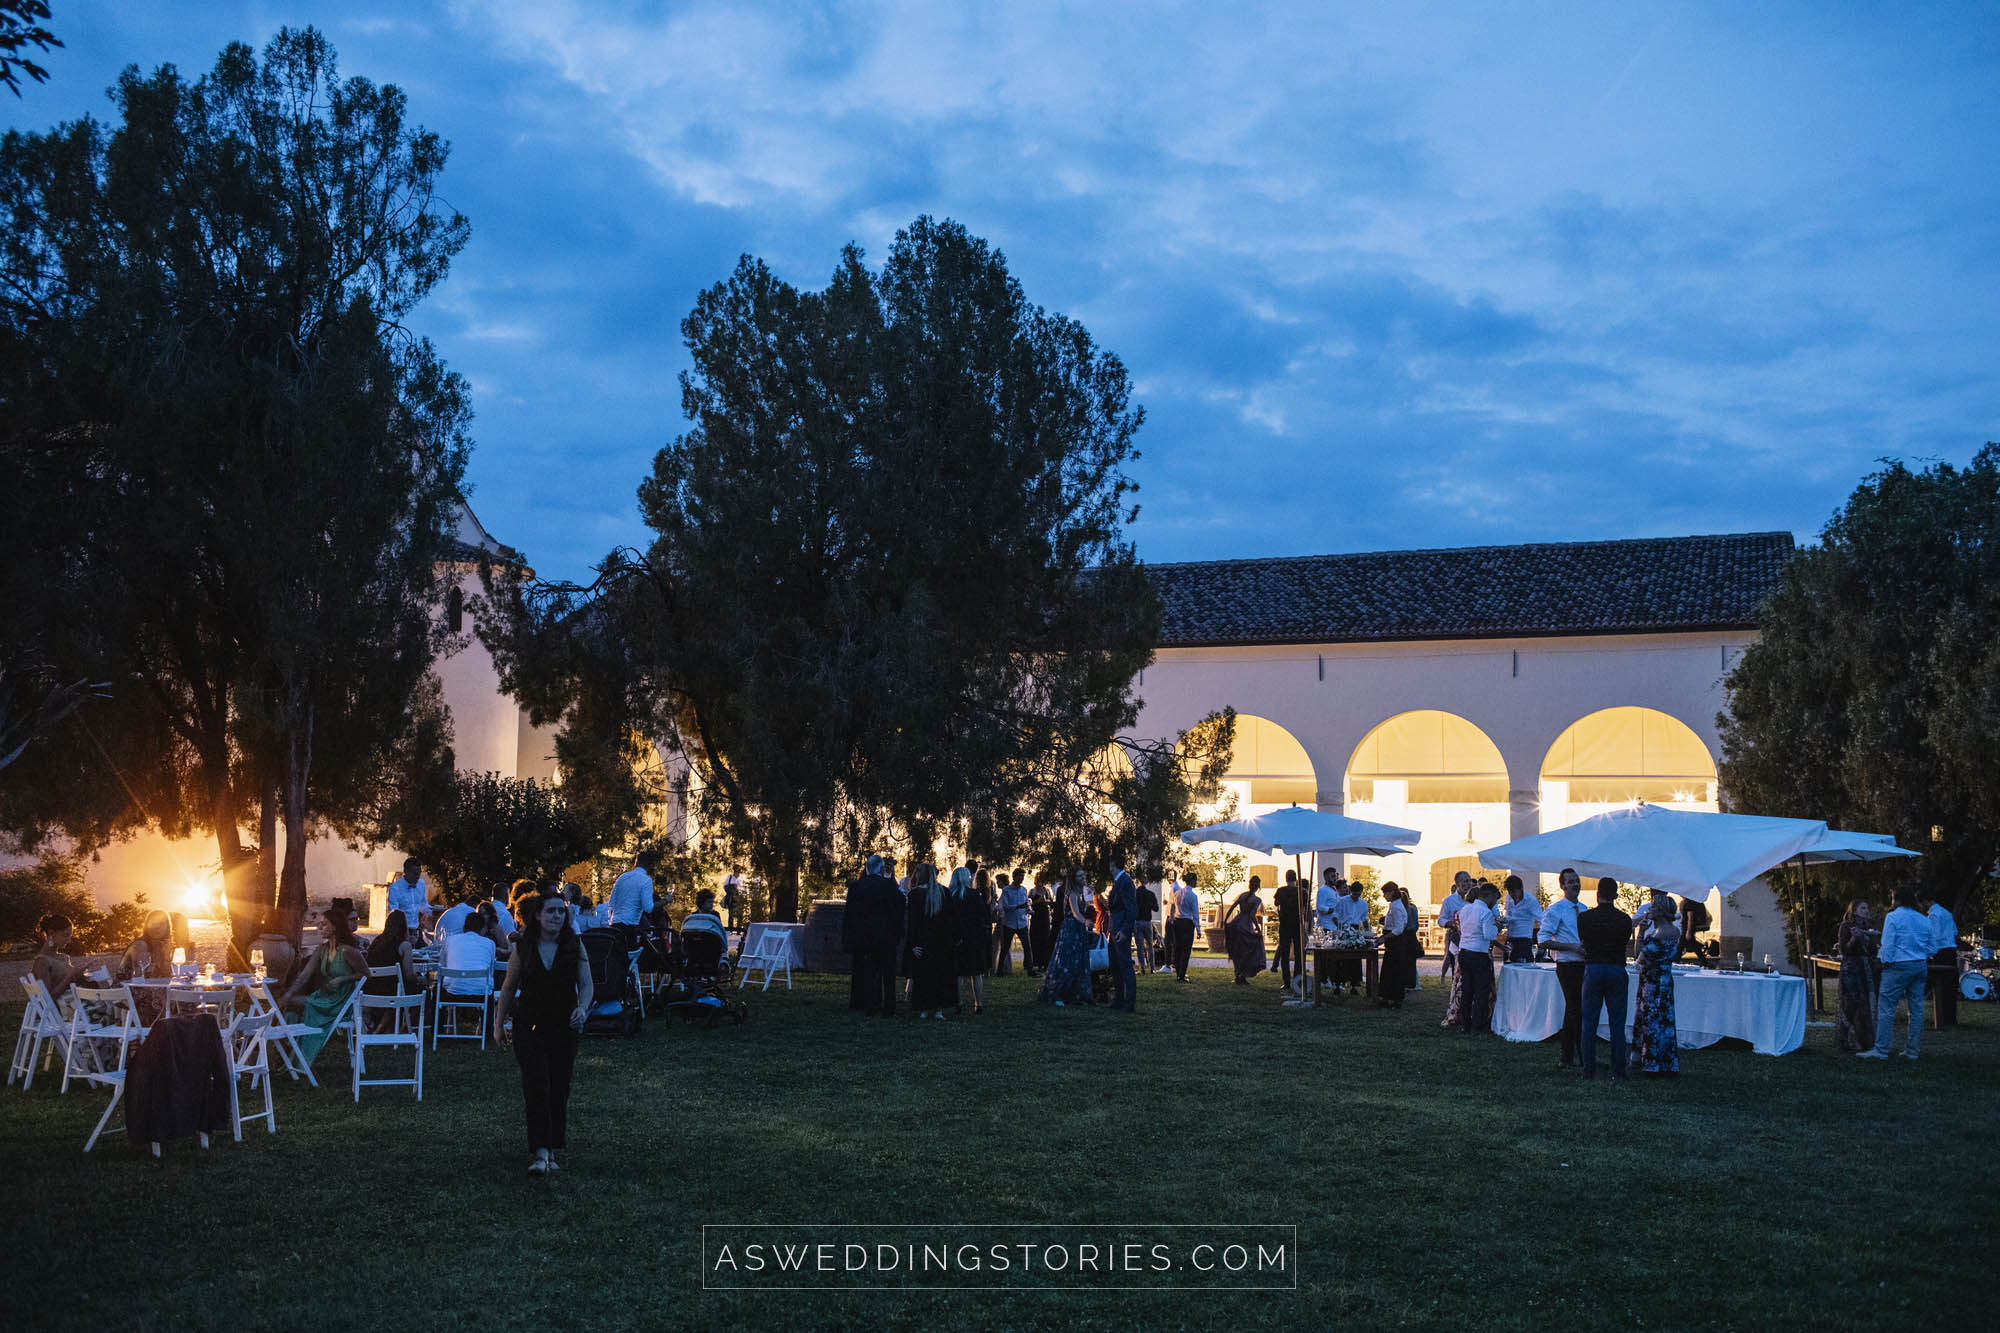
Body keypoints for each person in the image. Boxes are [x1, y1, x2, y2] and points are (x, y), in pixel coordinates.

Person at [496, 890, 593, 1175]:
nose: (556, 916)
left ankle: (551, 1148)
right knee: (537, 1085)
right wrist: (498, 1024)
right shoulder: (523, 947)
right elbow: (509, 987)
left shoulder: (574, 945)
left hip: (564, 1025)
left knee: (559, 1087)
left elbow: (586, 984)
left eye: (560, 912)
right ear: (538, 915)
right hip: (529, 1026)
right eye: (550, 911)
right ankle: (540, 1154)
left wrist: (583, 1008)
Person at [279, 899, 368, 1064]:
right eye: (319, 924)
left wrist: (343, 978)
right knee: (289, 1004)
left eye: (324, 925)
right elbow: (304, 976)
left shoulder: (349, 951)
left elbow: (366, 974)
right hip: (324, 997)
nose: (319, 928)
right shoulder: (322, 949)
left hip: (340, 1002)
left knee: (290, 1003)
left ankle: (285, 1046)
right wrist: (289, 992)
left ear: (335, 927)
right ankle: (288, 1048)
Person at [1860, 886, 1931, 1061]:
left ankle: (1881, 1049)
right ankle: (1913, 1050)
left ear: (1897, 899)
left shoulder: (1893, 917)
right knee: (1916, 1009)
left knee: (1886, 1007)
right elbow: (1932, 946)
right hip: (1920, 964)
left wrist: (1884, 962)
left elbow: (1888, 944)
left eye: (1892, 897)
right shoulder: (1923, 919)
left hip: (1898, 965)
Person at [1577, 879, 1635, 1080]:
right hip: (1617, 968)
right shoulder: (1625, 920)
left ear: (1597, 894)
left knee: (1589, 1021)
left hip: (1593, 968)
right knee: (1617, 1022)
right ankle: (1618, 1069)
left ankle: (1588, 1069)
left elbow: (1583, 941)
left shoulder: (1584, 918)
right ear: (1616, 895)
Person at [1538, 869, 1587, 1070]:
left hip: (1584, 963)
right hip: (1567, 964)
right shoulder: (1555, 910)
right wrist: (1572, 947)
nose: (1575, 885)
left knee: (1580, 1008)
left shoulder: (1584, 909)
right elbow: (1542, 941)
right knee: (1573, 1007)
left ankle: (1580, 1052)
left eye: (1577, 881)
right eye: (1570, 882)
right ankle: (1568, 1055)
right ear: (1562, 886)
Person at [844, 855, 902, 1016]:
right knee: (888, 974)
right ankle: (889, 1006)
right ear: (881, 868)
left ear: (867, 868)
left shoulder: (856, 887)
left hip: (866, 937)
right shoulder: (889, 886)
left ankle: (870, 1005)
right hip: (886, 937)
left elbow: (851, 914)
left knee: (870, 972)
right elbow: (897, 910)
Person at [1630, 898, 1680, 1076]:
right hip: (1665, 979)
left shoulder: (1659, 934)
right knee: (1664, 1020)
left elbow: (1640, 956)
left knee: (1650, 1021)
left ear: (1659, 910)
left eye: (1652, 907)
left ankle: (1650, 1062)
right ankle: (1666, 1062)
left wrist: (1641, 932)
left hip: (1652, 981)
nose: (1649, 909)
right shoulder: (1674, 931)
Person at [905, 865, 960, 1019]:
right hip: (942, 943)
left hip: (922, 943)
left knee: (923, 978)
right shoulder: (944, 893)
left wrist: (912, 945)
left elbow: (911, 923)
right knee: (940, 977)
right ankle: (938, 1010)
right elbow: (952, 920)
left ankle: (923, 1008)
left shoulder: (915, 895)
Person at [1038, 870, 1095, 1006]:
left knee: (1079, 960)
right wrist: (1086, 922)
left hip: (1079, 929)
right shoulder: (1072, 895)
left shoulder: (1084, 893)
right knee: (1067, 960)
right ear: (1074, 879)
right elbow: (1076, 913)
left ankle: (1076, 994)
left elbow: (1088, 907)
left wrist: (1089, 899)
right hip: (1071, 929)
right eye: (1079, 875)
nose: (1082, 877)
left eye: (1083, 875)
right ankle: (1058, 993)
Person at [1833, 899, 1880, 1054]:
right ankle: (1846, 1040)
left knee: (1864, 1004)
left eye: (1867, 908)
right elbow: (1845, 950)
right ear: (1854, 910)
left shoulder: (1869, 927)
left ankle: (1863, 1041)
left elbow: (1873, 950)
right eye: (1863, 908)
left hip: (1865, 969)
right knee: (1850, 1003)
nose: (1866, 911)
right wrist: (1854, 938)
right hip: (1851, 970)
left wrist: (1871, 940)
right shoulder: (1846, 926)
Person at [119, 908, 176, 1024]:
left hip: (149, 986)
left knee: (180, 995)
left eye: (161, 924)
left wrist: (165, 955)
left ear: (167, 926)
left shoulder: (161, 944)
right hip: (130, 989)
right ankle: (161, 1031)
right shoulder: (141, 944)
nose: (157, 928)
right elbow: (138, 974)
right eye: (153, 924)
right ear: (146, 926)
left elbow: (166, 973)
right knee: (174, 997)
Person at [1456, 883, 1498, 1033]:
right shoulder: (1486, 912)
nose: (1495, 902)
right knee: (1481, 991)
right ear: (1490, 895)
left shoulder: (1465, 909)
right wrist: (1496, 927)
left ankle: (1465, 1023)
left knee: (1467, 990)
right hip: (1479, 953)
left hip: (1464, 951)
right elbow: (1489, 935)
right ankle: (1477, 1025)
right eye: (1495, 898)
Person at [440, 908, 499, 1006]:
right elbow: (491, 971)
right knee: (489, 988)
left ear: (464, 928)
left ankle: (438, 1020)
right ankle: (487, 1021)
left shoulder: (449, 940)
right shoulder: (490, 943)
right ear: (482, 929)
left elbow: (443, 966)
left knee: (437, 989)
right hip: (481, 994)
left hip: (452, 992)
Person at [955, 866, 993, 1014]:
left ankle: (959, 1002)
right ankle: (979, 1003)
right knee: (976, 973)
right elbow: (983, 917)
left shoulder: (952, 896)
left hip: (959, 938)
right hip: (975, 938)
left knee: (959, 973)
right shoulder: (975, 895)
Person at [363, 909, 423, 999]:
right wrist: (421, 978)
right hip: (395, 992)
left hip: (372, 990)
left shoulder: (377, 940)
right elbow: (409, 975)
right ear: (404, 926)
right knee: (423, 988)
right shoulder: (404, 945)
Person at [1920, 890, 1958, 1027]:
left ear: (1925, 901)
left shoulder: (1933, 915)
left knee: (1940, 984)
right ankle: (1950, 1018)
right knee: (1950, 985)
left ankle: (1942, 1018)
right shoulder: (1946, 912)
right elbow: (1955, 931)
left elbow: (1934, 936)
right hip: (1951, 949)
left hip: (1941, 951)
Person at [1106, 851, 1138, 1013]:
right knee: (1115, 965)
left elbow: (1131, 909)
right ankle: (1119, 998)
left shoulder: (1125, 882)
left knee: (1125, 965)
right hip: (1114, 928)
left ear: (1113, 864)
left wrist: (1125, 930)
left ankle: (1129, 1001)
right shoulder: (1118, 881)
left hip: (1120, 929)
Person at [33, 913, 84, 1010]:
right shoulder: (42, 962)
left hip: (73, 1003)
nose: (68, 940)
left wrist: (77, 975)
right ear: (52, 933)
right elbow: (48, 999)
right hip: (62, 1010)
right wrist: (69, 978)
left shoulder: (64, 957)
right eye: (65, 935)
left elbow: (69, 984)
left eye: (70, 936)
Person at [1222, 877, 1267, 984]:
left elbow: (1233, 906)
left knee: (1237, 951)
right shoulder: (1256, 900)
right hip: (1245, 925)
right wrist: (1258, 927)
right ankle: (1241, 975)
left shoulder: (1243, 895)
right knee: (1247, 952)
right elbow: (1252, 915)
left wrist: (1226, 920)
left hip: (1237, 923)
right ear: (1258, 887)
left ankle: (1238, 974)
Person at [607, 850, 660, 936]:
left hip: (614, 926)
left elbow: (612, 903)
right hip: (630, 927)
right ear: (649, 866)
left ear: (636, 862)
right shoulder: (646, 880)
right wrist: (665, 901)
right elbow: (648, 908)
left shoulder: (622, 877)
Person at [1377, 884, 1411, 1008]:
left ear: (1391, 892)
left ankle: (1395, 998)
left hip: (1396, 942)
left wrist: (1384, 938)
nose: (1384, 896)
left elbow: (1398, 929)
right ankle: (1387, 997)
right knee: (1389, 971)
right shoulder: (1394, 905)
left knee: (1394, 971)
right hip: (1393, 942)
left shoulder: (1397, 907)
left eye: (1385, 893)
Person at [994, 871, 1032, 976]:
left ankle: (1030, 970)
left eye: (1023, 877)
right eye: (1020, 877)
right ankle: (1000, 971)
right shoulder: (1007, 890)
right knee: (1005, 948)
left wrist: (1029, 910)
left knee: (1027, 947)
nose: (1022, 879)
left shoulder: (1024, 890)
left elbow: (1026, 904)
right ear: (1014, 877)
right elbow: (1006, 906)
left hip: (1022, 922)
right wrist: (1019, 906)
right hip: (1010, 923)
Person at [385, 857, 432, 939]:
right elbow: (394, 914)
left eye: (419, 873)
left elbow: (423, 904)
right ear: (406, 872)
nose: (417, 877)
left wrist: (433, 911)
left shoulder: (421, 884)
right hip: (400, 931)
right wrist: (404, 932)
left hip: (416, 930)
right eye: (414, 873)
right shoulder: (395, 888)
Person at [1165, 873, 1200, 982]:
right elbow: (1195, 914)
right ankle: (1181, 975)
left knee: (1177, 947)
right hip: (1187, 923)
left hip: (1177, 921)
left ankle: (1178, 973)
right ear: (1192, 881)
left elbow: (1172, 907)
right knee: (1186, 949)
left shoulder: (1177, 893)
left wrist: (1171, 918)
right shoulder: (1193, 896)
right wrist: (1198, 929)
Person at [1274, 869, 1303, 995]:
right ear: (1295, 878)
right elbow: (1305, 908)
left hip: (1285, 924)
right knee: (1298, 953)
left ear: (1286, 878)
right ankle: (1297, 979)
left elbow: (1276, 904)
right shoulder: (1301, 891)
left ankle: (1286, 981)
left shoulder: (1280, 891)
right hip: (1297, 924)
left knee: (1285, 954)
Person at [1439, 873, 1470, 980]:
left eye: (1469, 881)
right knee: (1456, 969)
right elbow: (1441, 919)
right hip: (1456, 938)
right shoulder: (1449, 900)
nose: (1468, 884)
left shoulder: (1474, 900)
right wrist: (1452, 923)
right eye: (1465, 881)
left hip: (1471, 939)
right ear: (1457, 883)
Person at [1502, 877, 1540, 964]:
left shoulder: (1531, 901)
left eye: (1514, 891)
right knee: (1508, 967)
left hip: (1524, 941)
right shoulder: (1508, 897)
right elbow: (1508, 914)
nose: (1512, 894)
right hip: (1510, 939)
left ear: (1521, 889)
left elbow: (1541, 918)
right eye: (1510, 891)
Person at [1028, 874, 1057, 976]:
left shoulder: (1047, 890)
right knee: (1036, 938)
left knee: (1045, 938)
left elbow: (1052, 902)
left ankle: (1045, 962)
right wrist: (1037, 901)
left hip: (1044, 916)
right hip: (1036, 916)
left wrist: (1047, 901)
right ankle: (1037, 962)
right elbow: (1029, 904)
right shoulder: (1032, 891)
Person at [1134, 876, 1160, 975]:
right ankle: (1152, 968)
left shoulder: (1135, 894)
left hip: (1137, 921)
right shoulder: (1150, 894)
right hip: (1147, 921)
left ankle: (1142, 968)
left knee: (1140, 947)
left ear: (1137, 882)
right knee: (1150, 945)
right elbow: (1156, 908)